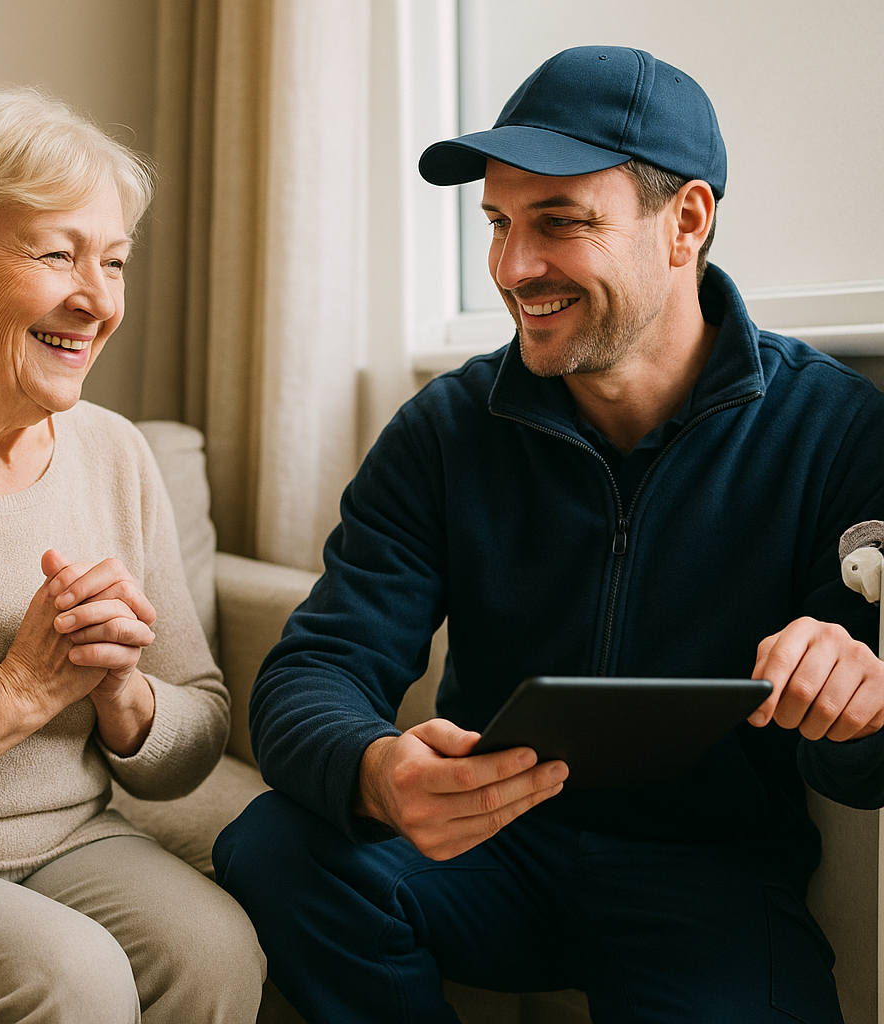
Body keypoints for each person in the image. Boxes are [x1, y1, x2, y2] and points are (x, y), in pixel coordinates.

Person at [214, 45, 884, 1023]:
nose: (513, 266)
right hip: (491, 847)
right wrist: (374, 769)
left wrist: (858, 704)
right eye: (498, 222)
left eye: (560, 223)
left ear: (684, 222)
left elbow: (857, 764)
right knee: (274, 843)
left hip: (708, 877)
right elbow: (313, 669)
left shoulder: (834, 431)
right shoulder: (445, 430)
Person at [0, 89, 264, 1023]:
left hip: (74, 835)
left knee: (213, 950)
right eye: (56, 254)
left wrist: (123, 693)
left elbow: (194, 726)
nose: (98, 300)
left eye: (114, 262)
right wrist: (19, 692)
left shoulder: (115, 452)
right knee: (69, 976)